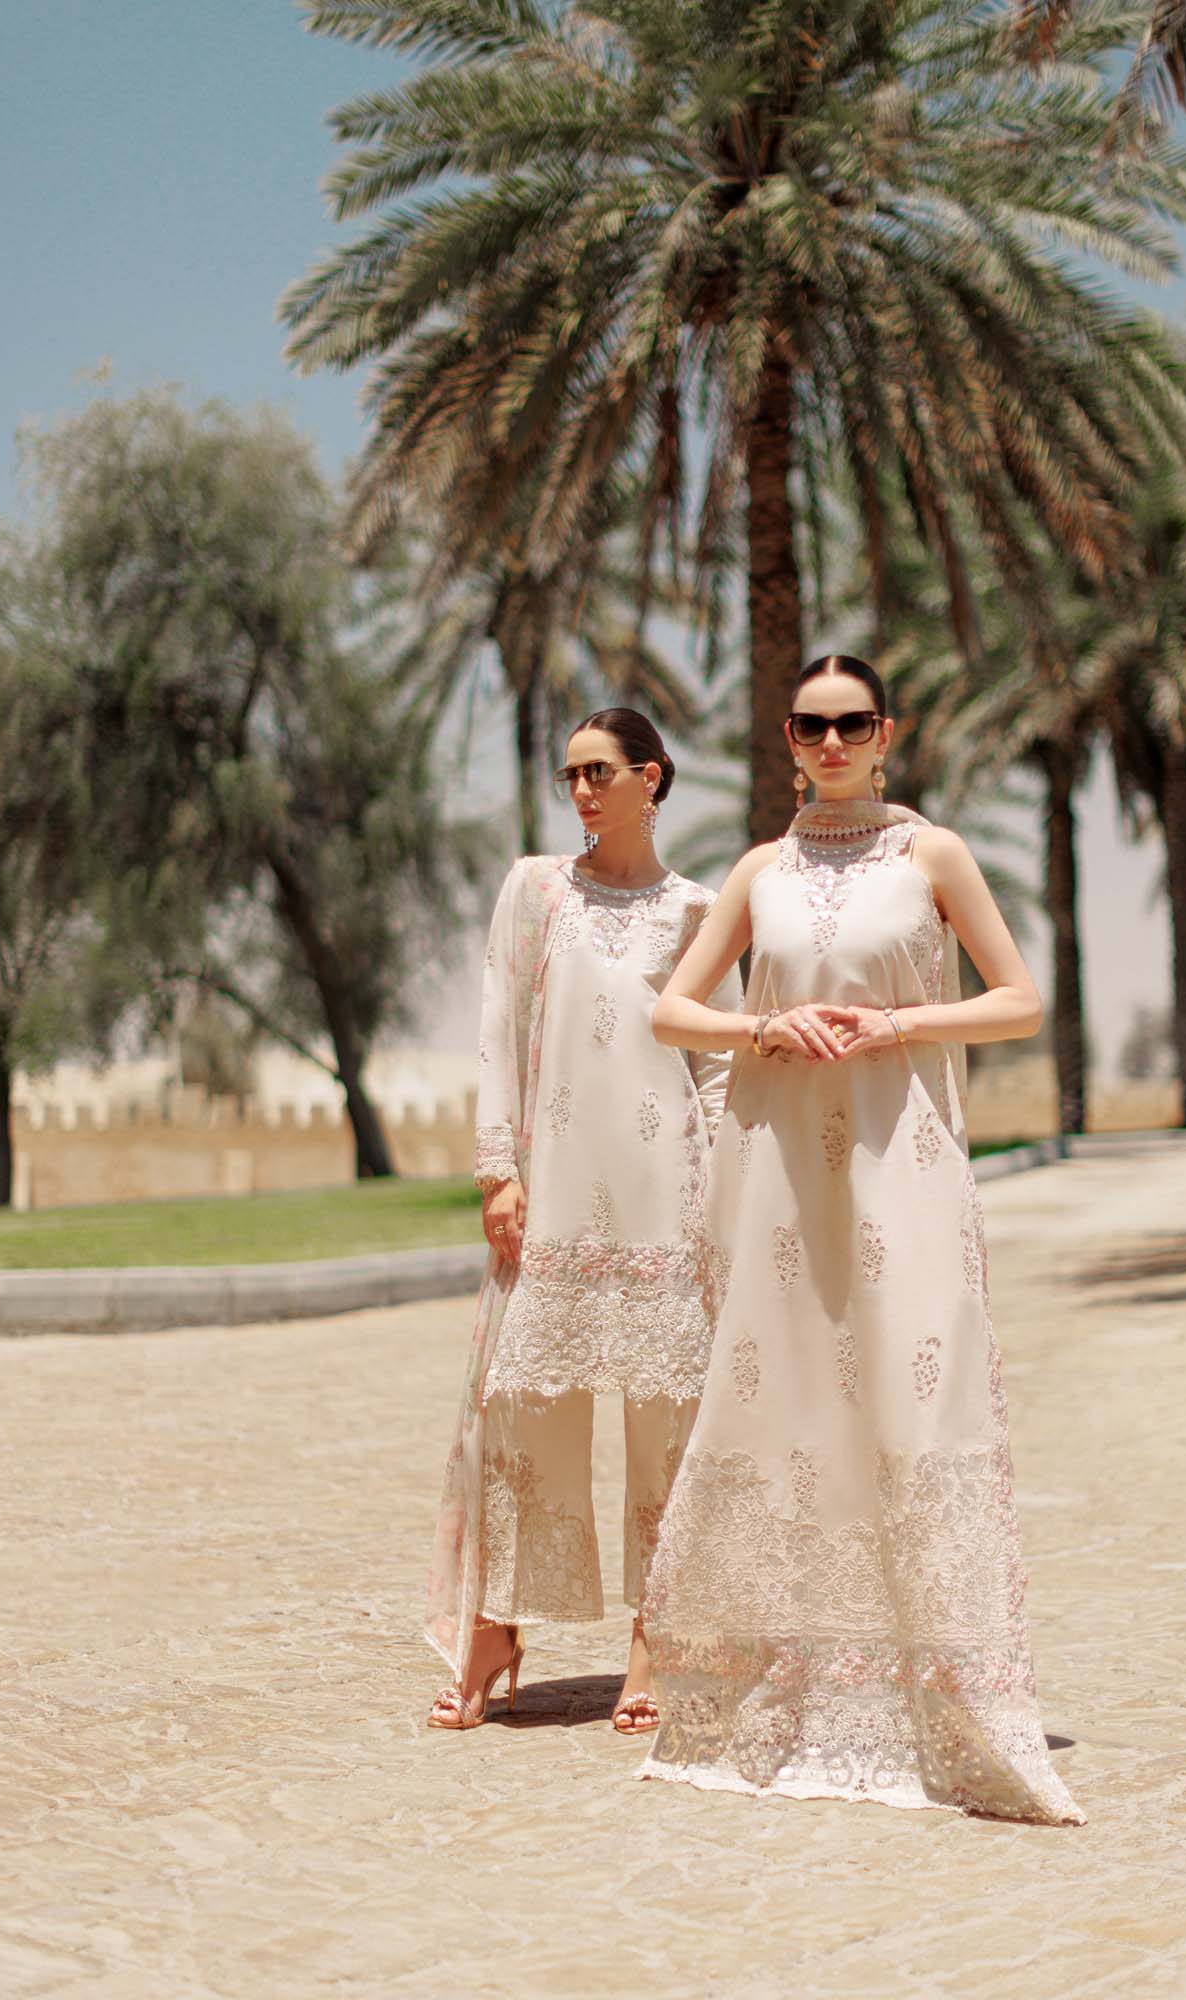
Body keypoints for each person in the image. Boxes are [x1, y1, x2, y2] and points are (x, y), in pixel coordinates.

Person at [638, 655, 1084, 1823]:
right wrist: (761, 1025)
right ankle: (781, 1684)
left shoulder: (932, 855)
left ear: (887, 732)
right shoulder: (759, 871)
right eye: (808, 724)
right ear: (787, 739)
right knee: (788, 1401)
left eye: (850, 722)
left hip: (904, 1168)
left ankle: (938, 1692)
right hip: (778, 1175)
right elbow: (669, 1008)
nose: (829, 741)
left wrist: (893, 1023)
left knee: (909, 1397)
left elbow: (1017, 999)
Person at [425, 707, 741, 1733]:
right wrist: (496, 1169)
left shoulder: (697, 911)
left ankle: (656, 1632)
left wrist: (725, 1200)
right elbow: (497, 1020)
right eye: (570, 775)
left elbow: (716, 1067)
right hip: (553, 1189)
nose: (581, 791)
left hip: (665, 1195)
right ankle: (494, 1626)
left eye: (599, 771)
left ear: (652, 777)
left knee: (666, 1419)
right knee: (520, 1410)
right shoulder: (536, 891)